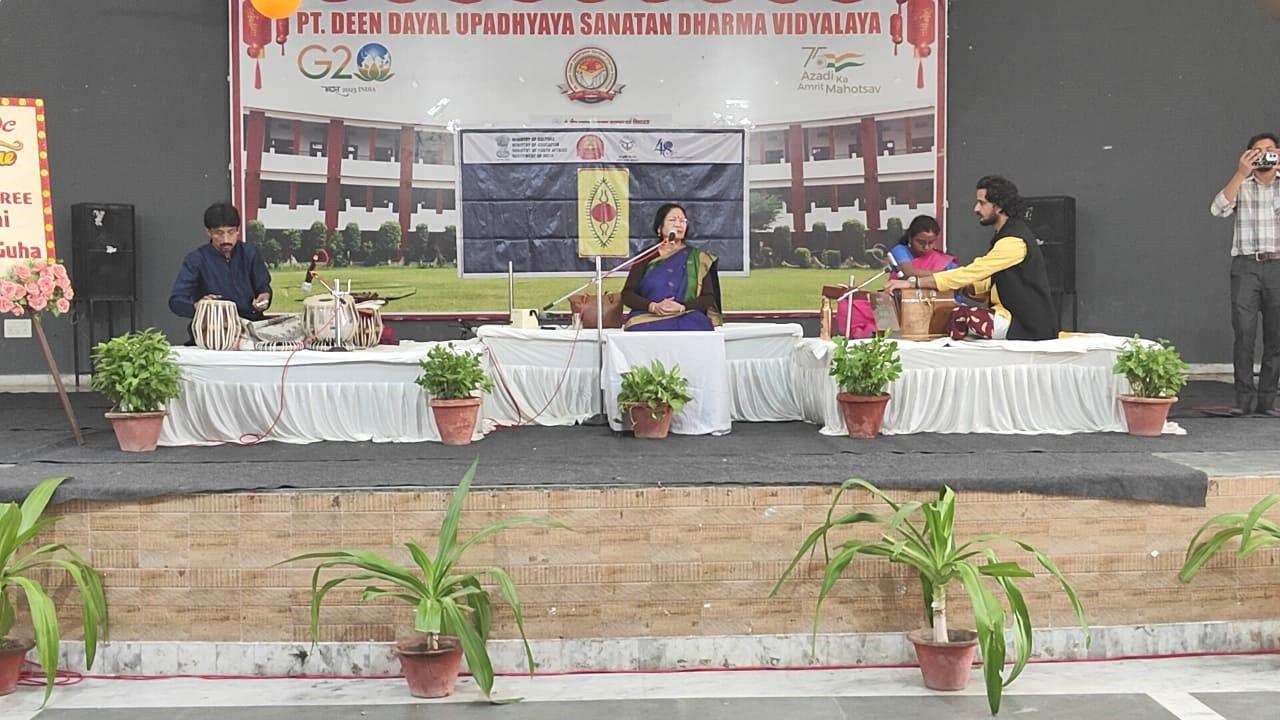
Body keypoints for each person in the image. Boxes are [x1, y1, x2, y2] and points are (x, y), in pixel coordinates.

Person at [886, 175, 1058, 341]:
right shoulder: (1005, 235)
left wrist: (913, 283)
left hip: (1027, 325)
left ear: (998, 206)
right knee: (953, 314)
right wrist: (964, 286)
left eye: (982, 203)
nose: (976, 209)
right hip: (1009, 317)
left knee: (959, 316)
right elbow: (989, 281)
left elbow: (973, 272)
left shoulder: (1013, 241)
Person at [1210, 132, 1280, 417]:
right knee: (1244, 333)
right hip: (1246, 266)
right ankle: (1243, 400)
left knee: (1276, 336)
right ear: (1248, 155)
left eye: (1270, 150)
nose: (1263, 155)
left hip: (1277, 265)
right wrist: (1240, 173)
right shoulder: (1242, 184)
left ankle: (1267, 401)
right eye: (1257, 151)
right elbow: (1217, 209)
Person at [621, 203, 721, 331]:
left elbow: (708, 298)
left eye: (682, 221)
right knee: (637, 329)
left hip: (686, 316)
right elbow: (627, 294)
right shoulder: (646, 256)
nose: (678, 224)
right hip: (648, 316)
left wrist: (682, 307)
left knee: (699, 325)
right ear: (659, 228)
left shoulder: (698, 258)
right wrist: (653, 306)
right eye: (672, 220)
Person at [169, 203, 272, 325]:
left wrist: (265, 297)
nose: (226, 240)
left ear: (238, 230)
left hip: (250, 323)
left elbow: (263, 287)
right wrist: (199, 306)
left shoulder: (249, 253)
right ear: (209, 232)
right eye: (219, 233)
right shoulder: (196, 259)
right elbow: (176, 301)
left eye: (231, 232)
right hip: (213, 327)